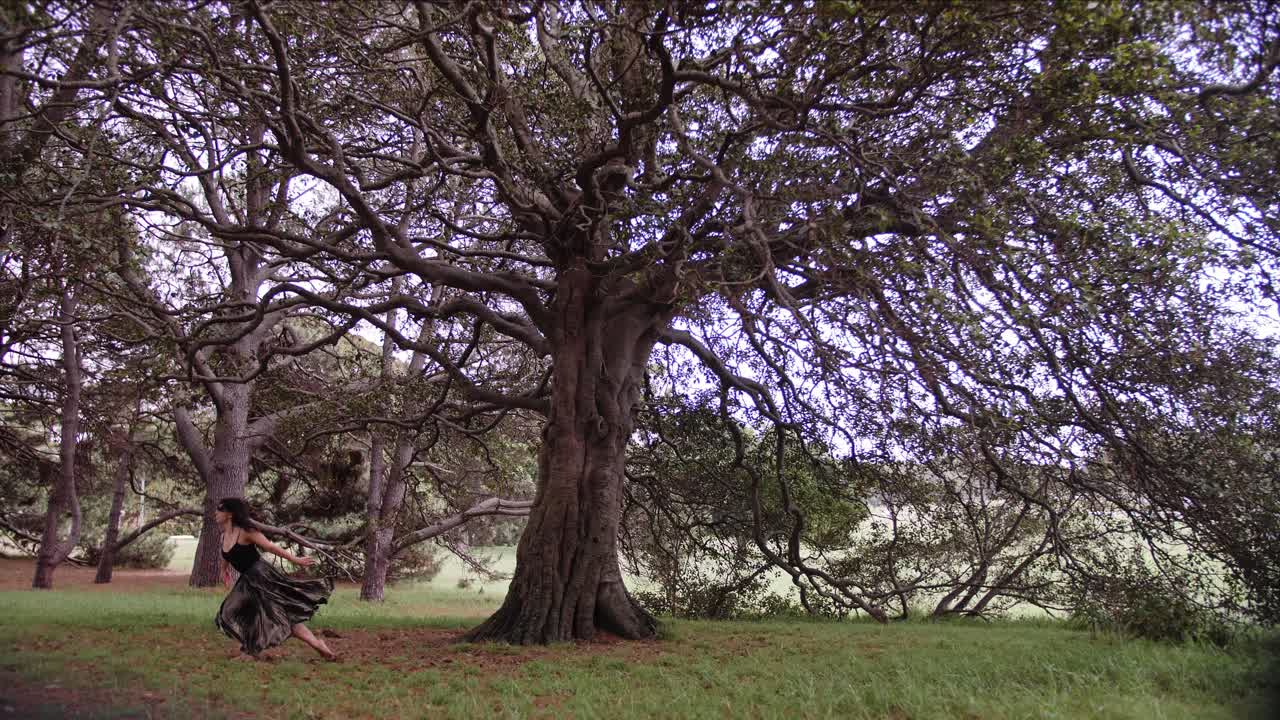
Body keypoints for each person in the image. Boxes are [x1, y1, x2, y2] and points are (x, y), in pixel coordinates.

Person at [213, 497, 338, 661]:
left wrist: (296, 560)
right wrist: (223, 570)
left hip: (262, 577)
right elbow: (226, 555)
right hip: (248, 581)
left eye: (219, 510)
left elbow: (270, 546)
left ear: (229, 514)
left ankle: (315, 645)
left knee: (278, 614)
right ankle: (252, 649)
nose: (215, 513)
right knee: (231, 613)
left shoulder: (246, 531)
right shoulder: (224, 536)